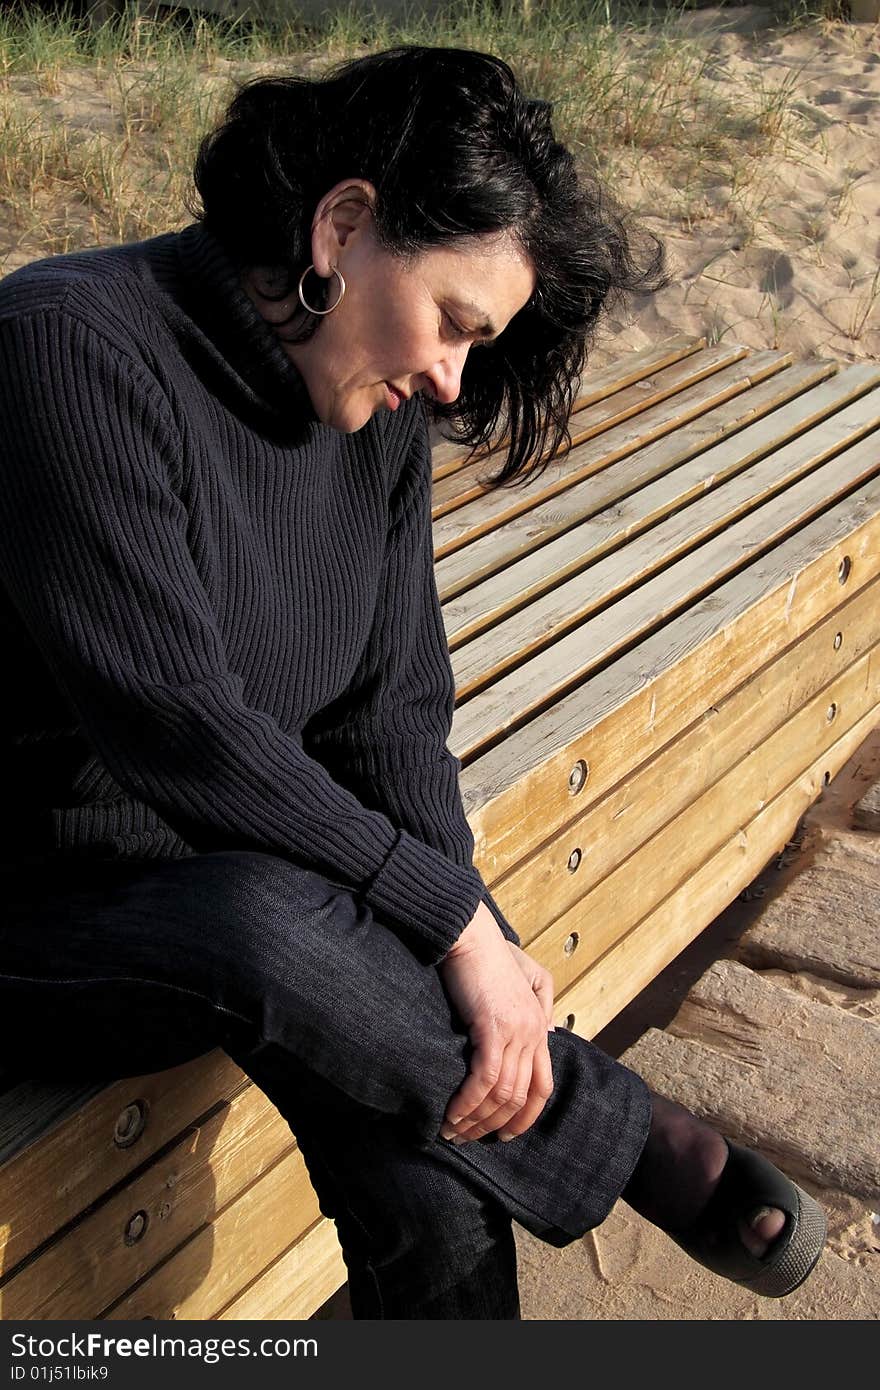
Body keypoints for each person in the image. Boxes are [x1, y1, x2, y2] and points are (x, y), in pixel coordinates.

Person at [0, 46, 825, 1320]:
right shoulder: (66, 350)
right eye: (452, 322)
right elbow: (179, 729)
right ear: (342, 226)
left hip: (254, 891)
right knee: (273, 928)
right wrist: (440, 917)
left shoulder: (372, 410)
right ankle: (623, 1129)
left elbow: (390, 715)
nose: (449, 378)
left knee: (440, 1135)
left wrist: (475, 932)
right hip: (47, 911)